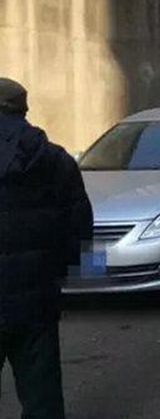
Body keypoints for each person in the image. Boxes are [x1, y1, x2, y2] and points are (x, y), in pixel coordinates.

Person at [0, 78, 93, 418]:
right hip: (37, 298)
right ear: (24, 109)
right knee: (42, 395)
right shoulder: (55, 160)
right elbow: (81, 226)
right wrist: (74, 279)